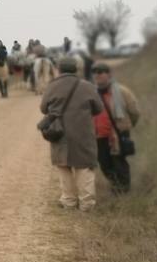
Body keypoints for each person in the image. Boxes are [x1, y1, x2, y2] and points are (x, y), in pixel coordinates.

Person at [40, 57, 104, 211]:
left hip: (59, 132)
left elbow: (43, 109)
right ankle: (86, 205)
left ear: (59, 69)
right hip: (83, 133)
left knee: (64, 167)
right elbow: (98, 108)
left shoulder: (52, 86)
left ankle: (68, 202)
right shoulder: (88, 86)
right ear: (76, 69)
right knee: (84, 168)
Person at [91, 62, 141, 194]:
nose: (97, 75)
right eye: (95, 72)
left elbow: (134, 112)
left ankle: (123, 193)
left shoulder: (123, 92)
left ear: (108, 74)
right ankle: (115, 186)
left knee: (119, 164)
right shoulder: (91, 93)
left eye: (101, 72)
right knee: (104, 164)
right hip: (99, 135)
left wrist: (125, 127)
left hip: (117, 135)